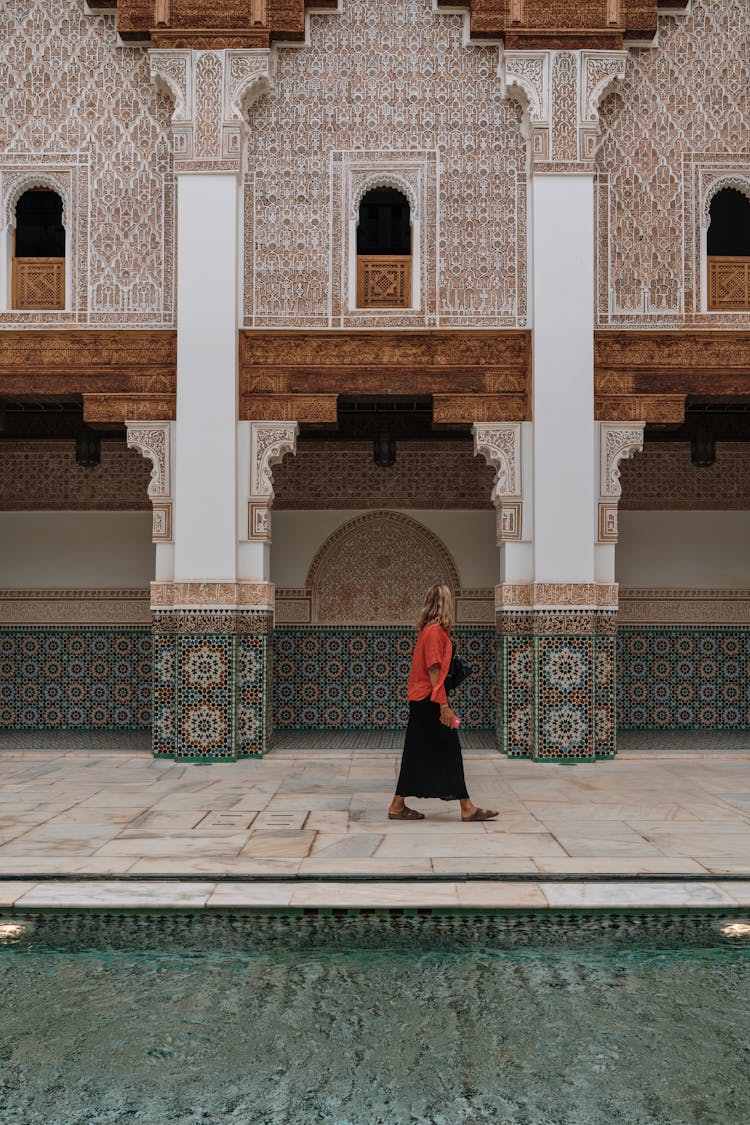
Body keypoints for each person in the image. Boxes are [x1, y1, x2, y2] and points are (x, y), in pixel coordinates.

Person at [388, 583, 499, 822]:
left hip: (424, 700)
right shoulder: (434, 632)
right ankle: (466, 807)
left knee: (418, 751)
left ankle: (398, 805)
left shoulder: (431, 631)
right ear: (445, 604)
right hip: (429, 700)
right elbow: (434, 670)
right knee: (449, 749)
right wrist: (444, 705)